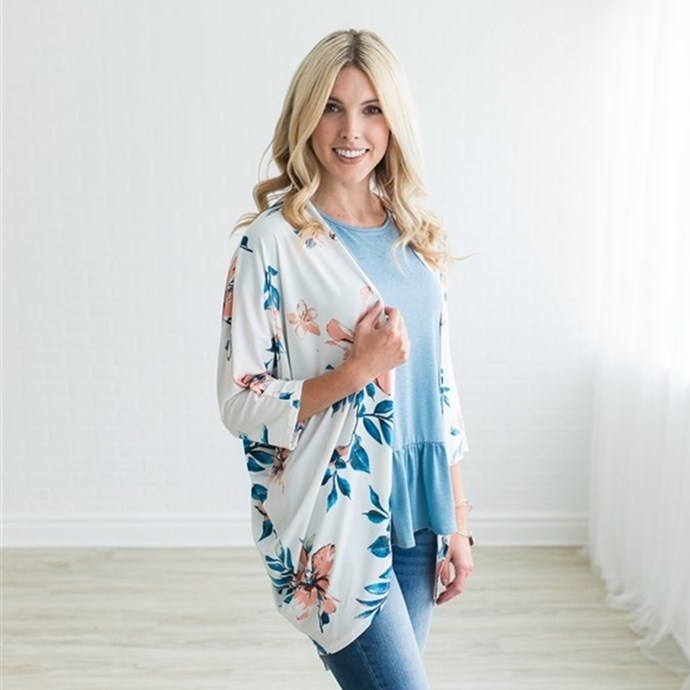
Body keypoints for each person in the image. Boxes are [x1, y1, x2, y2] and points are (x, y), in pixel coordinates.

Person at [217, 28, 474, 690]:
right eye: (331, 107)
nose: (351, 130)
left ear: (394, 121)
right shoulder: (273, 244)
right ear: (305, 116)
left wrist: (459, 520)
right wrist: (355, 371)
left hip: (419, 509)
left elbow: (439, 389)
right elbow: (241, 401)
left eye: (371, 109)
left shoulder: (415, 236)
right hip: (338, 516)